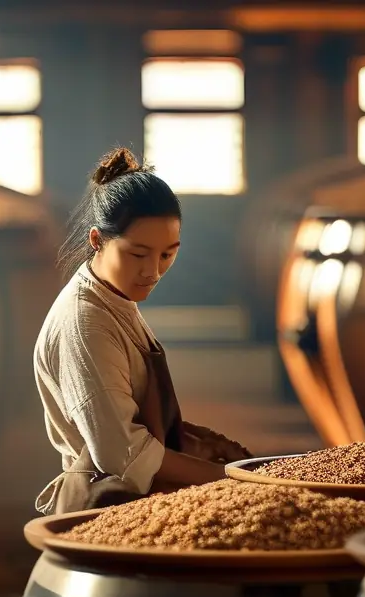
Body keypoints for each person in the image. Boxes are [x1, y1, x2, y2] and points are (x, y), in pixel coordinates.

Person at [32, 147, 252, 517]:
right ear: (97, 240)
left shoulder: (114, 298)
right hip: (103, 506)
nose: (153, 271)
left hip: (136, 497)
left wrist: (201, 442)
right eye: (138, 254)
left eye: (168, 254)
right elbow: (123, 454)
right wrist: (226, 479)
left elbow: (129, 413)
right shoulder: (86, 323)